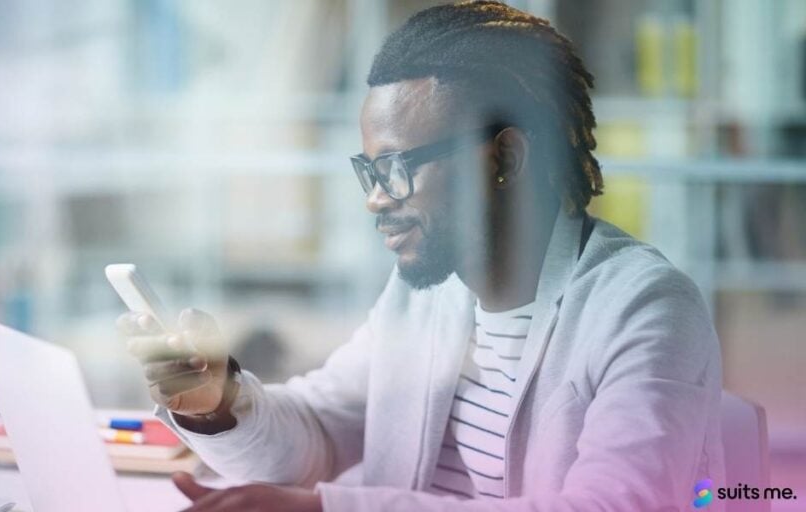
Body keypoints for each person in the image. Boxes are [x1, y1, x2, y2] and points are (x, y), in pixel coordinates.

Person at [118, 2, 725, 510]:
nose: (376, 199)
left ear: (504, 158)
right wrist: (217, 404)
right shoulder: (425, 296)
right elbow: (318, 434)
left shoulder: (646, 307)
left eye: (399, 168)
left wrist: (330, 508)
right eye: (370, 171)